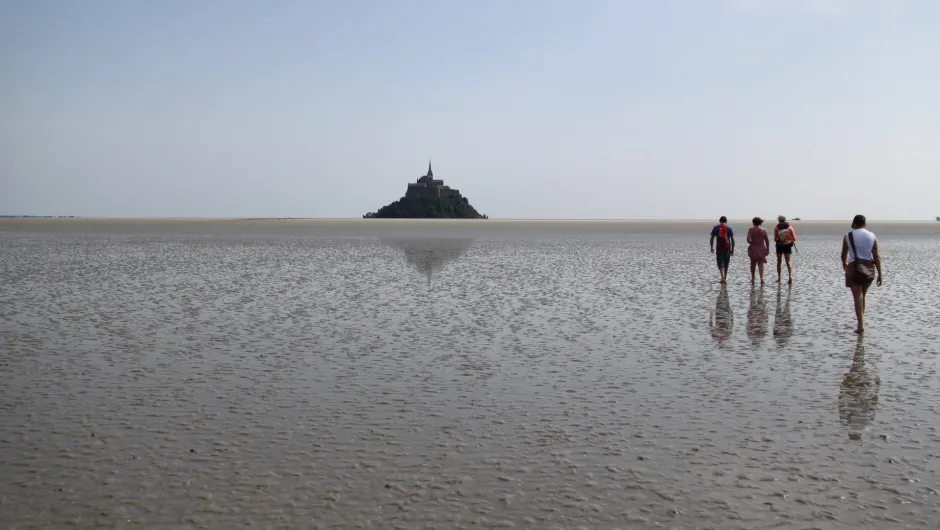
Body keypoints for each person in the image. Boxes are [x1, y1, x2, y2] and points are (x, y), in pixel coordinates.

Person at [841, 215, 882, 333]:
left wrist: (844, 264)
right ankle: (861, 322)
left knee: (857, 297)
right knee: (863, 295)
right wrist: (880, 274)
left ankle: (860, 325)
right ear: (865, 223)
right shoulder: (872, 236)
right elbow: (876, 256)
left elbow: (843, 254)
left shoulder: (848, 236)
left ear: (853, 223)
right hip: (868, 267)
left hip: (854, 266)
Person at [710, 216, 735, 283]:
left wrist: (711, 247)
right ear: (726, 221)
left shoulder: (716, 228)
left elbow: (712, 238)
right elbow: (732, 239)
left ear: (719, 220)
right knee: (726, 262)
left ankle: (723, 278)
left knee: (720, 262)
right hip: (727, 247)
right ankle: (725, 278)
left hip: (719, 247)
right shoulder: (729, 228)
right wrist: (732, 249)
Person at [746, 216, 770, 285]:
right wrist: (767, 249)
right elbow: (767, 240)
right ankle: (761, 279)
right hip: (761, 248)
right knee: (761, 264)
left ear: (753, 223)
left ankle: (753, 279)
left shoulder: (751, 229)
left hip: (753, 248)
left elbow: (748, 239)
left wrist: (752, 243)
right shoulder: (764, 230)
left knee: (753, 264)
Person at [773, 215, 796, 284]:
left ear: (779, 220)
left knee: (779, 262)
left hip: (780, 246)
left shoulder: (776, 228)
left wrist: (779, 240)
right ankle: (790, 277)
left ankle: (779, 278)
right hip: (788, 245)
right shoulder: (789, 227)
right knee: (788, 262)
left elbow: (775, 239)